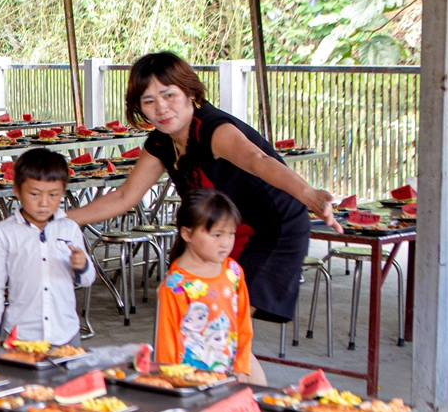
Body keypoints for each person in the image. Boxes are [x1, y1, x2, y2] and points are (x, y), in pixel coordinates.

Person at [68, 52, 340, 344]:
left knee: (221, 328)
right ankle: (202, 380)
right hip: (219, 229)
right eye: (149, 101)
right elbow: (124, 196)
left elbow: (257, 159)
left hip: (272, 228)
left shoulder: (213, 130)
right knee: (196, 321)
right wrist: (59, 218)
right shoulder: (160, 142)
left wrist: (308, 193)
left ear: (189, 93)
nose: (161, 108)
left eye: (169, 95)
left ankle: (230, 384)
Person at [146, 189, 256, 412]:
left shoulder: (234, 272)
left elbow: (242, 325)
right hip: (188, 384)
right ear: (188, 233)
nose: (226, 243)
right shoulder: (176, 285)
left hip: (225, 378)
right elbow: (166, 343)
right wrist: (174, 383)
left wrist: (241, 367)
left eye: (230, 234)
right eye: (216, 234)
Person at [0, 148, 93, 412]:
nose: (44, 203)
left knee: (69, 395)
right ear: (17, 191)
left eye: (54, 195)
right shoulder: (6, 232)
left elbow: (87, 278)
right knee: (22, 395)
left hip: (64, 330)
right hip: (22, 331)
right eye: (34, 194)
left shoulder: (70, 229)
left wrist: (81, 266)